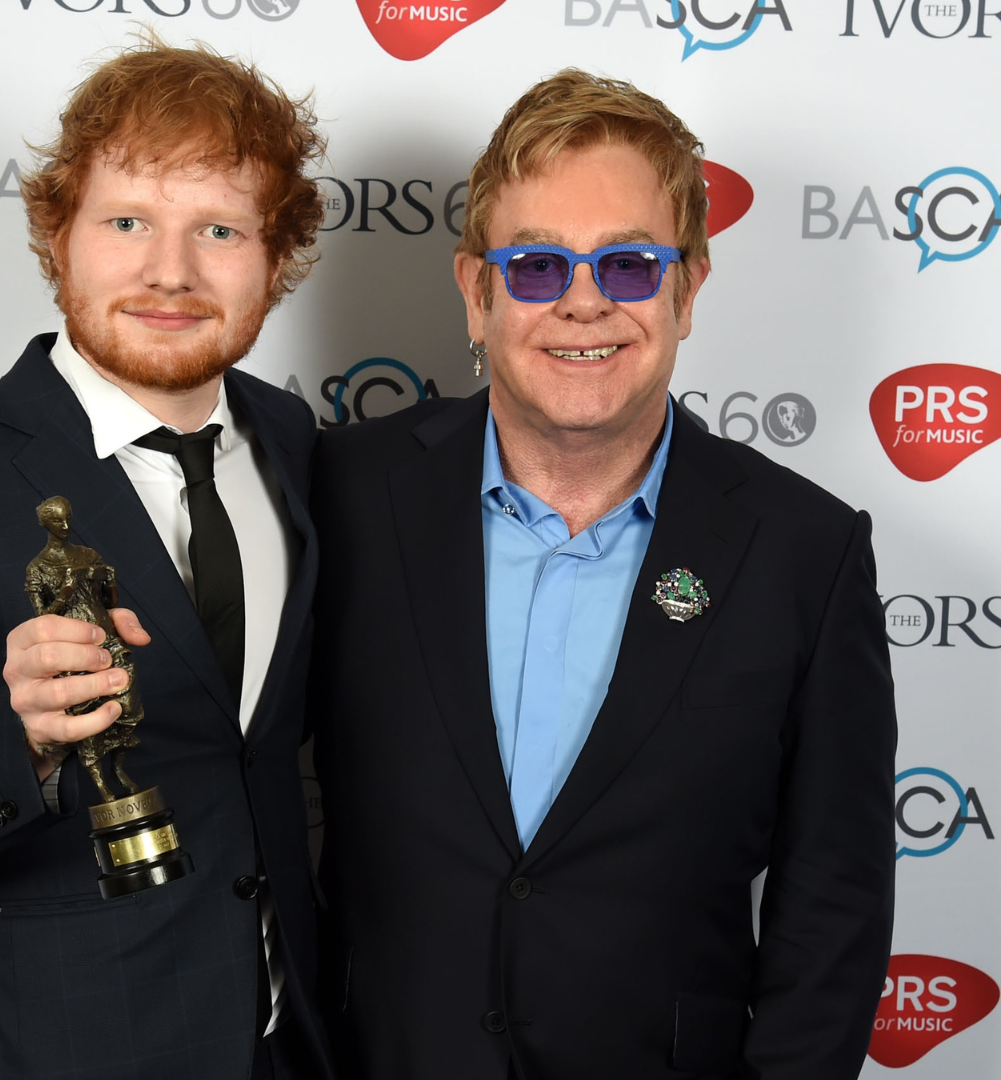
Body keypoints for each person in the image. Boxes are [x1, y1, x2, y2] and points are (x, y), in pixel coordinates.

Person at [310, 71, 896, 1079]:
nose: (583, 304)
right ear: (477, 290)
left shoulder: (805, 551)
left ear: (687, 287)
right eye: (537, 267)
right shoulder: (341, 498)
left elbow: (833, 911)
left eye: (628, 265)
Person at [0, 42, 329, 1080]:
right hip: (32, 1050)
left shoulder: (294, 442)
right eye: (127, 221)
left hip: (282, 1045)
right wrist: (25, 740)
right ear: (59, 235)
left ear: (278, 259)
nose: (170, 272)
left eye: (219, 230)